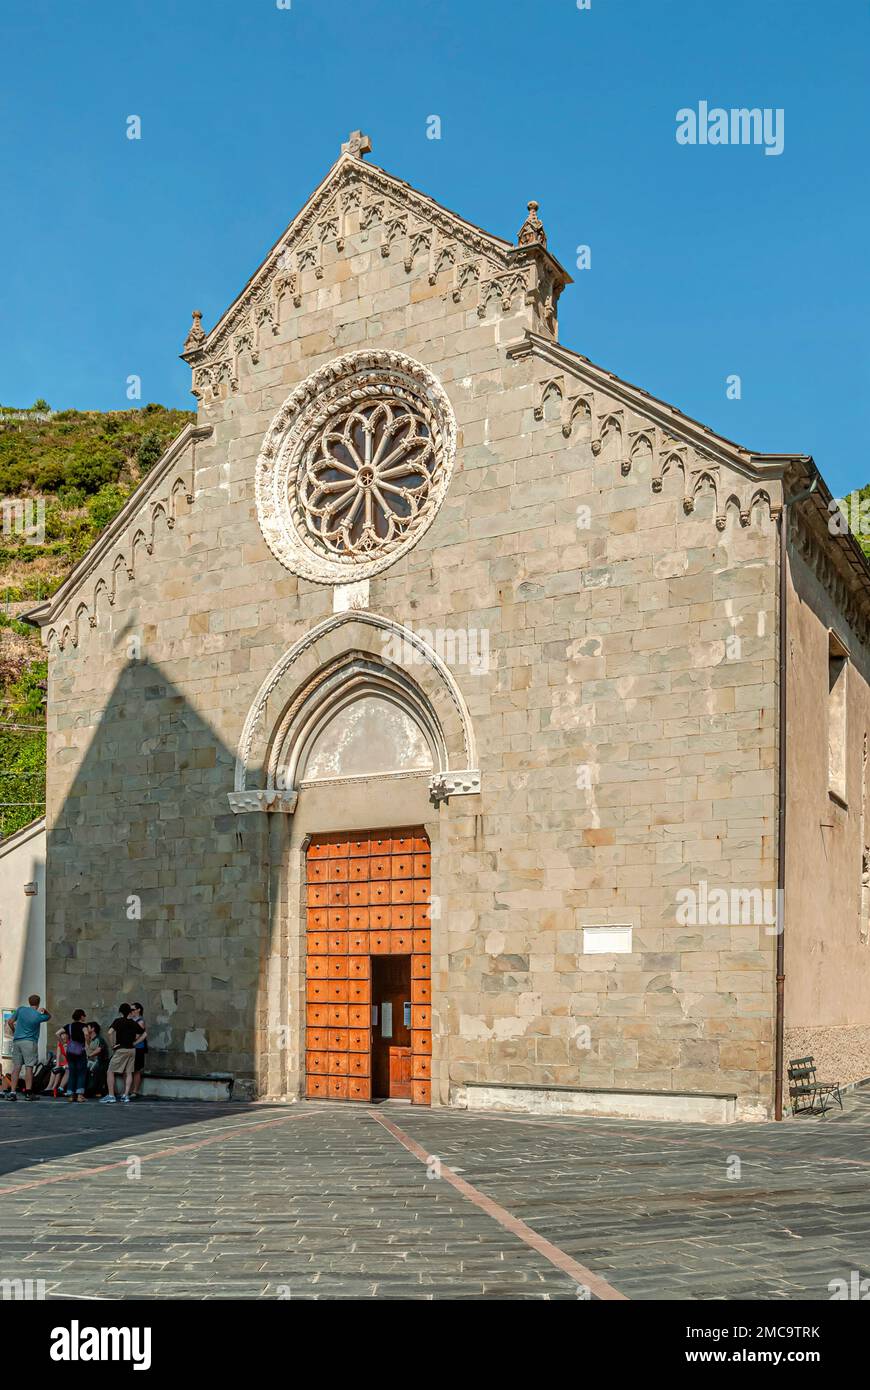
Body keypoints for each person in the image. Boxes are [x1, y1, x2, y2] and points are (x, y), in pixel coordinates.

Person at [4, 994, 51, 1100]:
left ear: (29, 1002)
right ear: (38, 1003)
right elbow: (49, 1017)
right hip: (30, 1042)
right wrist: (45, 1010)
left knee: (16, 1067)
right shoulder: (38, 1015)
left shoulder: (21, 1010)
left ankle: (12, 1092)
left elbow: (10, 1022)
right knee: (29, 1067)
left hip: (17, 1041)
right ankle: (29, 1093)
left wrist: (15, 1031)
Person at [101, 1004, 144, 1104]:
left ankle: (111, 1095)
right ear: (129, 1012)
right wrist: (135, 1042)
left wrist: (113, 1045)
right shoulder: (133, 1023)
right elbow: (143, 1032)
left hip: (121, 1049)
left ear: (120, 1012)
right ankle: (126, 1095)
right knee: (129, 1072)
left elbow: (109, 1032)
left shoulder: (118, 1021)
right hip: (132, 1050)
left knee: (110, 1071)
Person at [64, 1009, 89, 1102]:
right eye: (84, 1015)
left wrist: (64, 1042)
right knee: (81, 1073)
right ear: (81, 1016)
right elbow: (86, 1034)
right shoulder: (84, 1025)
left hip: (70, 1051)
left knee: (72, 1073)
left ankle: (70, 1096)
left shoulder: (69, 1026)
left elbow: (57, 1033)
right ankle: (79, 1096)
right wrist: (87, 1043)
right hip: (80, 1051)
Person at [85, 1023, 109, 1097]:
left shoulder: (99, 1039)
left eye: (87, 1027)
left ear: (93, 1029)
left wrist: (89, 1055)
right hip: (91, 1061)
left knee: (94, 1069)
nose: (86, 1029)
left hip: (100, 1061)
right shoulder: (89, 1039)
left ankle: (94, 1090)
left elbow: (99, 1049)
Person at [130, 1002, 148, 1098]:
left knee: (136, 1069)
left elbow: (138, 1035)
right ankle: (128, 1090)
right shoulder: (131, 1020)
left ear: (138, 1010)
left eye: (132, 1009)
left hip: (138, 1048)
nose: (131, 1011)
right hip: (130, 1047)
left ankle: (135, 1091)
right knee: (128, 1069)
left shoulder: (140, 1021)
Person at [49, 1030, 69, 1098]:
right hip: (64, 1063)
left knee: (64, 1069)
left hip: (70, 1062)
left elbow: (70, 1056)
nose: (63, 1036)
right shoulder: (60, 1043)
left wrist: (66, 1047)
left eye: (64, 1034)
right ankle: (49, 1087)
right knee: (55, 1069)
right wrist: (57, 1065)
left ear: (68, 1035)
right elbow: (58, 1055)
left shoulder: (70, 1043)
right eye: (61, 1035)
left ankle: (56, 1088)